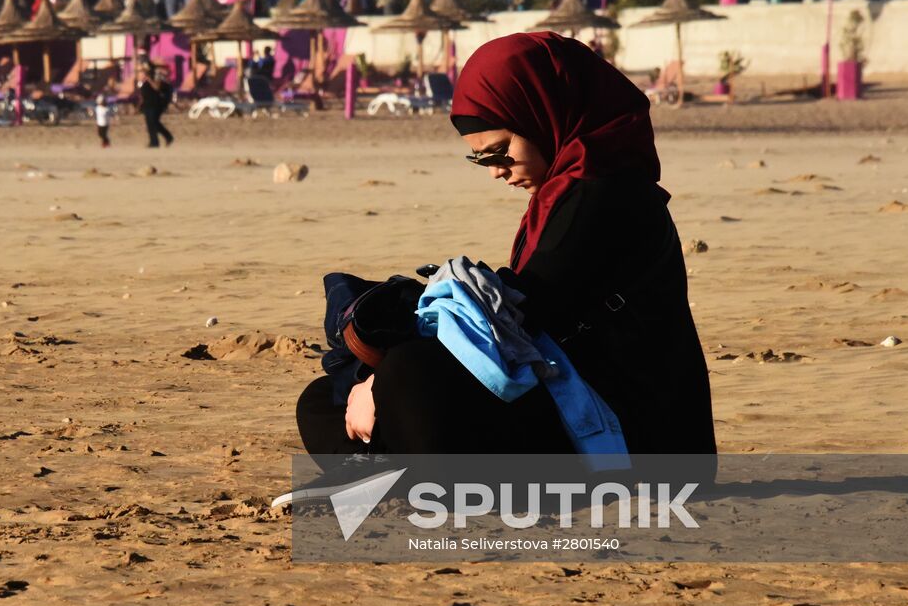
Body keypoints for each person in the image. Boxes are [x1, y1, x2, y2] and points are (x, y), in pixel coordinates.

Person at [295, 32, 716, 458]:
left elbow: (524, 315)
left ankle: (397, 470)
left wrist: (380, 383)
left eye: (500, 152)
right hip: (569, 400)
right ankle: (389, 465)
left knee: (406, 372)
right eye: (480, 159)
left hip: (631, 432)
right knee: (324, 397)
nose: (496, 172)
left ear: (542, 114)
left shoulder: (603, 194)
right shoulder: (569, 192)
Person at [137, 66, 174, 148]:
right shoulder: (142, 82)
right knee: (152, 124)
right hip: (147, 105)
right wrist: (139, 105)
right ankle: (159, 140)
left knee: (153, 123)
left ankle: (157, 141)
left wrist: (149, 79)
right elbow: (142, 95)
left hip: (155, 105)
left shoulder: (155, 78)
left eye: (142, 72)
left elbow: (156, 88)